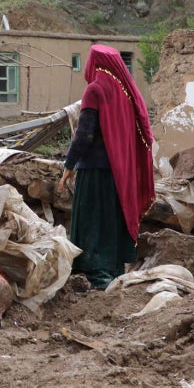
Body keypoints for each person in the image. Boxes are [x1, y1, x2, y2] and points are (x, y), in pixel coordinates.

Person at [59, 44, 155, 289]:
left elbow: (84, 135)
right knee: (112, 218)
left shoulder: (95, 90)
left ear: (93, 63)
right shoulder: (124, 91)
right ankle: (112, 271)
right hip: (118, 172)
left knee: (92, 220)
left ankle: (97, 276)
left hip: (93, 170)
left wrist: (69, 164)